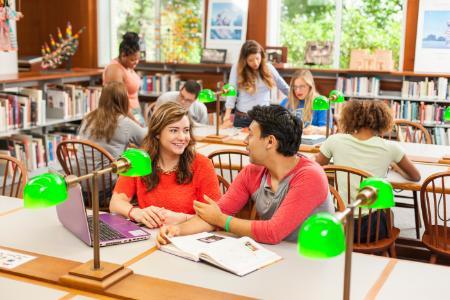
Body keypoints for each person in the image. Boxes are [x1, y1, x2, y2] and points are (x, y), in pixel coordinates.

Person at [156, 105, 334, 245]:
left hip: (315, 259)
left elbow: (273, 232)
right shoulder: (252, 172)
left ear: (270, 141)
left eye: (250, 134)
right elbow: (216, 214)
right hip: (277, 253)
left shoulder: (310, 176)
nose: (245, 141)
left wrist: (221, 220)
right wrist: (176, 230)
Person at [315, 99, 420, 241]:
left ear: (349, 118)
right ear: (383, 121)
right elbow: (415, 176)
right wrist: (396, 168)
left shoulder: (334, 141)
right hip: (372, 227)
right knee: (390, 214)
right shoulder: (391, 148)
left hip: (340, 220)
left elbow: (316, 168)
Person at [109, 102, 221, 229]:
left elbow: (216, 218)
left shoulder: (202, 164)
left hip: (189, 238)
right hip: (150, 236)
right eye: (174, 130)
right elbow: (115, 202)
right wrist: (136, 213)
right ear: (157, 133)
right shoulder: (139, 160)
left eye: (186, 130)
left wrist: (182, 218)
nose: (182, 137)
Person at [78, 81, 147, 207]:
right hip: (106, 191)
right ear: (124, 100)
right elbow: (148, 141)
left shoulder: (88, 117)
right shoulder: (124, 122)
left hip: (82, 187)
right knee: (142, 166)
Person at [222, 40, 289, 128]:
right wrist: (227, 116)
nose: (256, 63)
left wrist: (302, 98)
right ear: (244, 60)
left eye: (257, 58)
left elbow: (284, 87)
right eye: (251, 60)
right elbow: (231, 91)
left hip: (263, 119)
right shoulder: (237, 67)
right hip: (243, 118)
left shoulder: (268, 68)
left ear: (261, 55)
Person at [103, 32, 144, 126]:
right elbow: (119, 102)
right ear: (123, 55)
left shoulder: (127, 66)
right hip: (124, 116)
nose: (136, 62)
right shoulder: (114, 70)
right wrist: (135, 122)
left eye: (138, 59)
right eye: (133, 60)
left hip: (135, 113)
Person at [280, 70, 331, 135]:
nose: (298, 90)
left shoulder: (320, 102)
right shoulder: (286, 102)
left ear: (310, 86)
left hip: (312, 144)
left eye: (302, 86)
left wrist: (316, 130)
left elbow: (327, 130)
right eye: (295, 87)